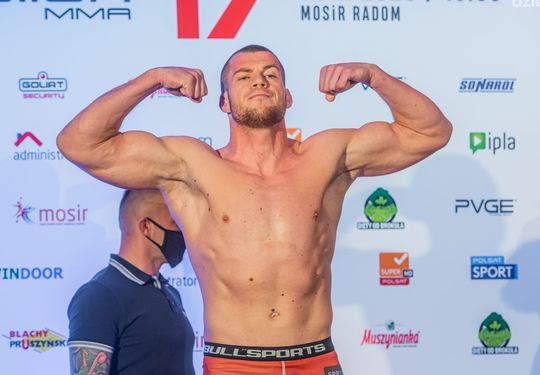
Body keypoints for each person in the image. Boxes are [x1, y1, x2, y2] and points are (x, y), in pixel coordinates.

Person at [58, 45, 452, 374]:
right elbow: (80, 144)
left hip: (316, 359)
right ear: (223, 101)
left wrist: (373, 75)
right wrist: (152, 79)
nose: (259, 81)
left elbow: (430, 131)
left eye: (270, 74)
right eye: (243, 76)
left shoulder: (327, 156)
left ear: (288, 96)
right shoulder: (192, 166)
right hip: (234, 364)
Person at [67, 189, 195, 375]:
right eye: (175, 222)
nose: (183, 232)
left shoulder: (169, 292)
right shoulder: (100, 295)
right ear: (146, 227)